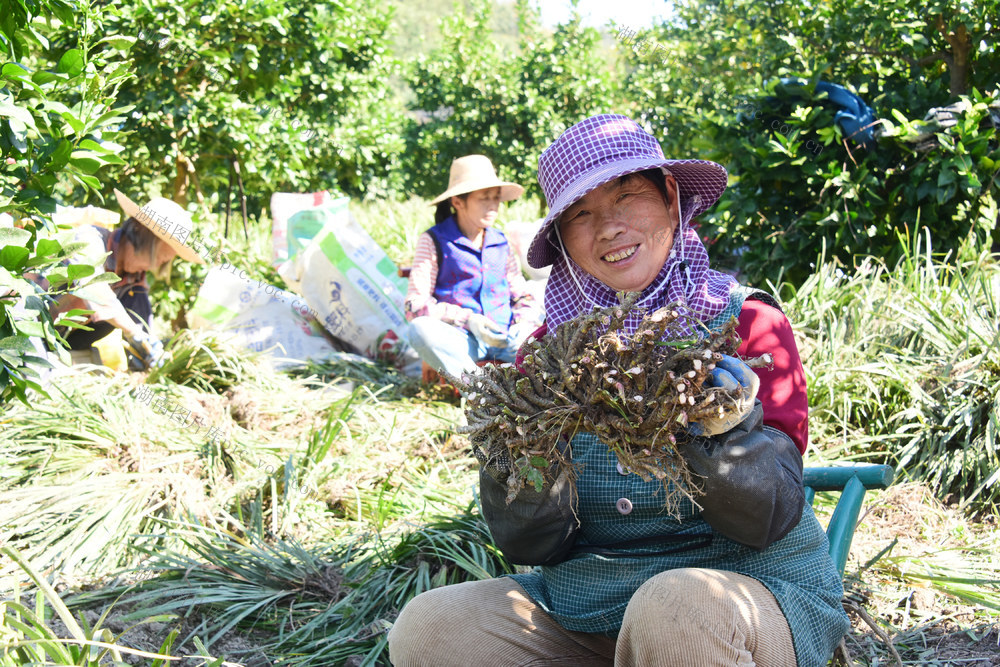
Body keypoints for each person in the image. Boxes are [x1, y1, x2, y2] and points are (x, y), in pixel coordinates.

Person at [388, 115, 850, 666]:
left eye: (628, 195)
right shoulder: (549, 357)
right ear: (562, 240)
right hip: (588, 612)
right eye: (581, 214)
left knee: (675, 608)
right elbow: (532, 545)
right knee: (428, 627)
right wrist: (522, 454)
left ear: (672, 200)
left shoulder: (747, 325)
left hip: (742, 601)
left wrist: (728, 437)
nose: (608, 226)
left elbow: (769, 518)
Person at [405, 154, 541, 378]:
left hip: (507, 337)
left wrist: (524, 323)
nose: (493, 206)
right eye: (484, 198)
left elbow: (522, 295)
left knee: (552, 329)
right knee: (419, 330)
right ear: (458, 202)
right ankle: (477, 389)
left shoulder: (500, 241)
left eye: (496, 198)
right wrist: (468, 319)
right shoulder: (434, 240)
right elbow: (414, 305)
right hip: (464, 339)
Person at [47, 189, 205, 369]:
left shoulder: (133, 277)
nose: (152, 268)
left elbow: (140, 319)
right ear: (140, 234)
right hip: (32, 326)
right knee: (115, 311)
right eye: (156, 258)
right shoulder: (89, 239)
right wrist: (133, 333)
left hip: (63, 340)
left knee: (129, 303)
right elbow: (94, 290)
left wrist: (148, 348)